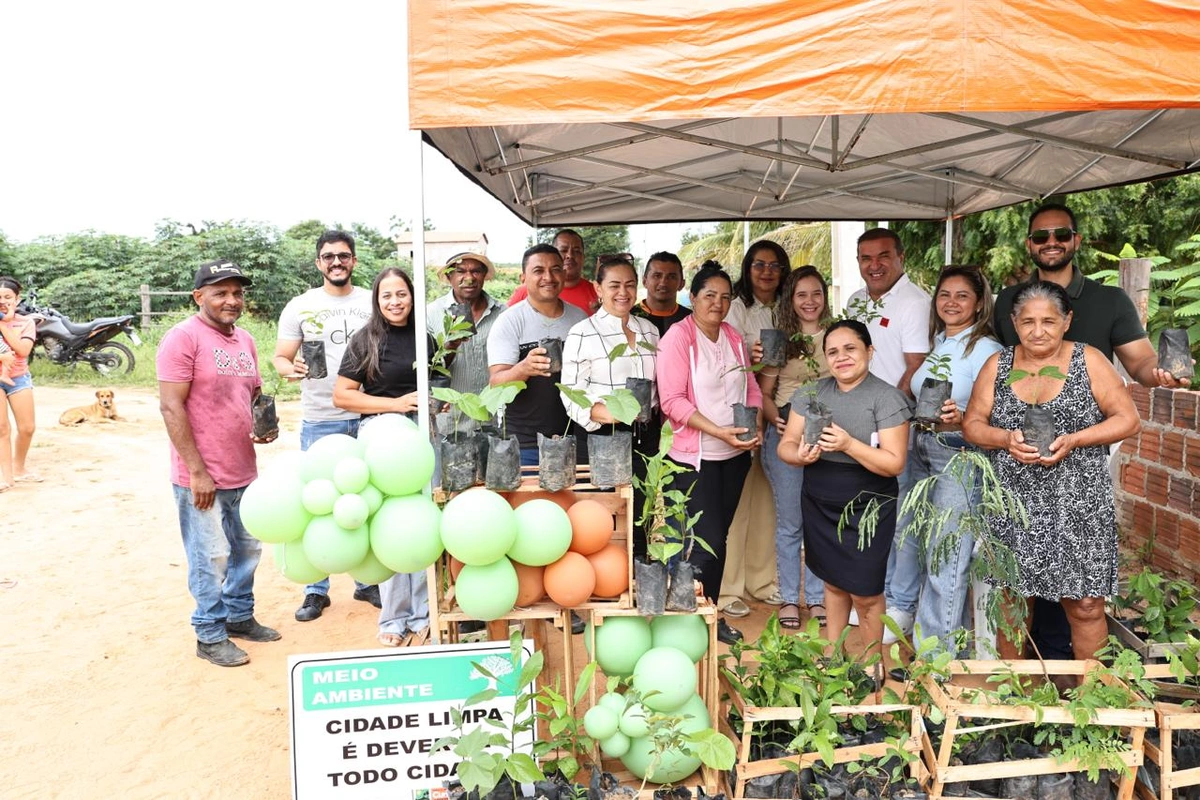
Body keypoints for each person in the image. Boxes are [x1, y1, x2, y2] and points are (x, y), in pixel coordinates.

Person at [993, 201, 1190, 659]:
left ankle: (1069, 674)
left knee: (1078, 585)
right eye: (1041, 236)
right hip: (1020, 458)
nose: (1051, 243)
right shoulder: (1009, 301)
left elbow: (1140, 361)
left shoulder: (1109, 301)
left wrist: (1161, 372)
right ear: (1029, 244)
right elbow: (1004, 367)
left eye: (1061, 234)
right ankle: (1032, 675)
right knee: (1020, 582)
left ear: (1076, 240)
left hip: (1083, 458)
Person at [964, 281, 1140, 661]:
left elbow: (1128, 420)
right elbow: (972, 424)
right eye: (1027, 321)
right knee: (1012, 599)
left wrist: (1075, 439)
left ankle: (1093, 698)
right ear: (1013, 322)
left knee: (1086, 604)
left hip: (1079, 503)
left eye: (1048, 320)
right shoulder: (999, 365)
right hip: (1015, 503)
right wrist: (1004, 438)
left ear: (1067, 321)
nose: (1037, 331)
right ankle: (1013, 698)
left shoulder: (1089, 359)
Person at [157, 260, 281, 667]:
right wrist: (196, 471)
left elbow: (252, 394)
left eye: (237, 293)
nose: (231, 300)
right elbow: (171, 407)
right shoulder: (182, 338)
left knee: (247, 549)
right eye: (220, 293)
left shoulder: (244, 339)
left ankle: (240, 617)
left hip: (243, 469)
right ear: (199, 297)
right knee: (210, 557)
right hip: (202, 475)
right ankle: (209, 634)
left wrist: (264, 424)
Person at [777, 319, 911, 663]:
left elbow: (894, 463)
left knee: (866, 593)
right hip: (820, 499)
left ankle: (871, 665)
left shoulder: (887, 397)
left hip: (869, 505)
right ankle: (833, 661)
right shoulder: (810, 394)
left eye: (850, 348)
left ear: (869, 350)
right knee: (833, 584)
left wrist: (849, 444)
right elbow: (786, 447)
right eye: (833, 352)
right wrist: (801, 455)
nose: (842, 357)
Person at [275, 230, 378, 623]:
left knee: (365, 500)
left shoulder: (372, 301)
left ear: (353, 260)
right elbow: (282, 357)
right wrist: (290, 369)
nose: (337, 262)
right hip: (320, 417)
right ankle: (315, 588)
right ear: (319, 263)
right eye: (329, 256)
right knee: (316, 503)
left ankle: (366, 581)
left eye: (344, 256)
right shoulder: (300, 306)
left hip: (368, 415)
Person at [899, 266, 1003, 654]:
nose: (952, 302)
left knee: (949, 556)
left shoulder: (986, 350)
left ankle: (933, 659)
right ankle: (948, 650)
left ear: (979, 303)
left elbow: (996, 416)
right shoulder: (942, 342)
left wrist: (962, 419)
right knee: (932, 551)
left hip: (959, 454)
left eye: (962, 295)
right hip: (923, 450)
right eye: (944, 294)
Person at [658, 262, 762, 646]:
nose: (717, 303)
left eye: (724, 297)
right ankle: (684, 621)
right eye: (709, 296)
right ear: (693, 297)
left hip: (734, 457)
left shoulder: (733, 336)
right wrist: (718, 430)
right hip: (692, 458)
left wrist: (754, 426)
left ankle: (711, 616)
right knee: (697, 540)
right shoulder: (677, 338)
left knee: (719, 540)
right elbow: (671, 401)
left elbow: (751, 387)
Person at [332, 268, 436, 647]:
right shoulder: (366, 340)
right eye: (386, 296)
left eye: (401, 294)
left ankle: (424, 614)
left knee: (422, 523)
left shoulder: (425, 340)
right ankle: (393, 619)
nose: (395, 302)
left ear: (412, 295)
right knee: (391, 527)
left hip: (421, 441)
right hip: (382, 440)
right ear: (377, 301)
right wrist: (394, 405)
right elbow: (343, 395)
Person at [847, 228, 931, 641]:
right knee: (868, 514)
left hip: (895, 431)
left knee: (901, 522)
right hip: (860, 433)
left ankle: (899, 607)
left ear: (901, 257)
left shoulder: (916, 303)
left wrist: (885, 419)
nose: (873, 265)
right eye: (865, 258)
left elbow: (916, 365)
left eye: (882, 256)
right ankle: (869, 596)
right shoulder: (856, 301)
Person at [560, 255, 660, 551]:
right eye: (614, 285)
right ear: (598, 288)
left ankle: (637, 582)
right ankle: (608, 586)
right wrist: (607, 414)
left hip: (645, 437)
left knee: (641, 515)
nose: (623, 292)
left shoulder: (649, 331)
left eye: (630, 285)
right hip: (602, 437)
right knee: (603, 519)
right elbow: (570, 392)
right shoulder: (582, 332)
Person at [719, 241, 791, 619]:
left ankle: (761, 581)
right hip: (746, 412)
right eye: (759, 265)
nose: (767, 272)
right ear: (747, 269)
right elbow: (725, 359)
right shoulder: (734, 308)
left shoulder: (788, 305)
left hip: (784, 414)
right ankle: (728, 586)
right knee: (738, 504)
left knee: (767, 504)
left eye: (775, 266)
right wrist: (752, 358)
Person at [756, 266, 830, 629]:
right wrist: (775, 419)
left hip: (828, 432)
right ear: (791, 300)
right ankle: (789, 598)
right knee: (791, 521)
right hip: (787, 429)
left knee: (820, 519)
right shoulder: (780, 340)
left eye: (815, 293)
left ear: (824, 296)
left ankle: (816, 598)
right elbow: (763, 394)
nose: (809, 301)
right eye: (801, 295)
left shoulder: (836, 336)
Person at [488, 243, 588, 466]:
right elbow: (496, 383)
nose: (548, 277)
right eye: (538, 271)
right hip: (527, 443)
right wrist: (523, 368)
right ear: (523, 278)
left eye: (555, 269)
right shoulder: (510, 321)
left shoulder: (580, 318)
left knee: (576, 501)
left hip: (574, 437)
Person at [427, 251, 505, 393]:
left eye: (476, 271)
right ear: (449, 277)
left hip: (493, 411)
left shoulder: (503, 314)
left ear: (484, 276)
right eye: (460, 271)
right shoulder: (431, 314)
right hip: (451, 411)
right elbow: (427, 371)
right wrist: (451, 344)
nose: (469, 278)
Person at [0, 276, 39, 491]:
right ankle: (5, 478)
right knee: (2, 428)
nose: (3, 301)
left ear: (17, 299)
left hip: (19, 378)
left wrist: (4, 325)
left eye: (8, 297)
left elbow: (23, 351)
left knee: (27, 428)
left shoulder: (26, 322)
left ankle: (19, 468)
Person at [506, 230, 599, 315]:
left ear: (584, 257)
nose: (570, 255)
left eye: (577, 251)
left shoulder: (598, 294)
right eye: (563, 250)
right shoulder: (525, 292)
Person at [631, 251, 692, 335]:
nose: (663, 282)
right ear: (645, 281)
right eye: (657, 276)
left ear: (682, 284)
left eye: (671, 277)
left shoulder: (692, 320)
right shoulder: (629, 318)